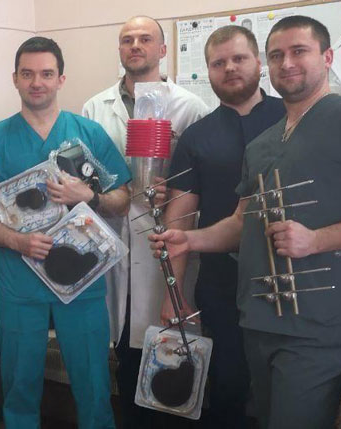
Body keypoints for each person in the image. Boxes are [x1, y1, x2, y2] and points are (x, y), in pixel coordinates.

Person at [151, 16, 341, 429]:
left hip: (318, 327)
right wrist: (189, 241)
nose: (287, 63)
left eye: (299, 51)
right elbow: (241, 223)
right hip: (259, 322)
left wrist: (316, 240)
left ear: (327, 57)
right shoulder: (264, 143)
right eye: (277, 55)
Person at [0, 37, 131, 428]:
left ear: (61, 79)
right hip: (21, 286)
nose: (37, 82)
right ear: (15, 79)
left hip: (83, 283)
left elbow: (123, 196)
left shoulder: (88, 132)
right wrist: (17, 241)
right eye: (28, 74)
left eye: (46, 74)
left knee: (93, 387)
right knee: (18, 391)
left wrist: (91, 195)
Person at [81, 15, 209, 428]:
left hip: (166, 244)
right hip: (114, 238)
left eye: (145, 39)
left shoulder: (190, 107)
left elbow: (205, 180)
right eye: (127, 39)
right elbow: (89, 175)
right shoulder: (94, 107)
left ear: (162, 50)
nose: (135, 45)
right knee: (126, 353)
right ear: (120, 50)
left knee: (169, 357)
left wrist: (171, 192)